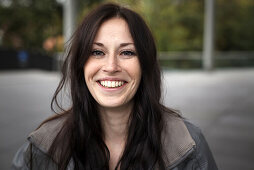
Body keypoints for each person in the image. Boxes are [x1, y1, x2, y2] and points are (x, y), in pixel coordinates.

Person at [12, 3, 217, 170]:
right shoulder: (43, 147)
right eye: (97, 52)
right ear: (81, 65)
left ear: (144, 64)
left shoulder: (189, 147)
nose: (111, 67)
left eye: (127, 53)